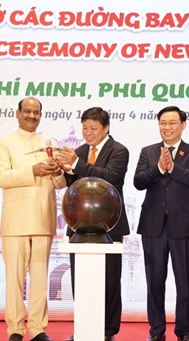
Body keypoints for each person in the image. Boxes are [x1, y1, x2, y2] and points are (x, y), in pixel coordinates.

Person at [0, 97, 66, 341]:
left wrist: (58, 171)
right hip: (16, 221)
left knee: (40, 277)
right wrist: (32, 171)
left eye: (36, 112)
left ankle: (37, 328)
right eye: (27, 111)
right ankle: (15, 329)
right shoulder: (4, 142)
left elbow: (59, 183)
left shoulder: (50, 142)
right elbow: (2, 178)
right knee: (14, 278)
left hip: (44, 219)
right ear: (17, 113)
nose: (32, 116)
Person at [133, 106, 189, 341]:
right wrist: (158, 168)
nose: (167, 127)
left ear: (183, 125)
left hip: (184, 226)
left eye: (172, 122)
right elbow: (138, 182)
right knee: (154, 281)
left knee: (184, 282)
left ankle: (184, 332)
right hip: (153, 226)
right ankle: (156, 331)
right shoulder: (148, 152)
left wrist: (173, 168)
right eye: (163, 123)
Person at [57, 107, 130, 341]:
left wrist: (76, 163)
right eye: (85, 128)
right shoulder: (79, 151)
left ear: (106, 128)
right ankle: (84, 328)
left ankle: (107, 331)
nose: (88, 133)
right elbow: (73, 182)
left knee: (109, 280)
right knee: (80, 279)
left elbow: (108, 176)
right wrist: (63, 170)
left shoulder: (119, 151)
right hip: (79, 226)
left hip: (109, 226)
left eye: (93, 128)